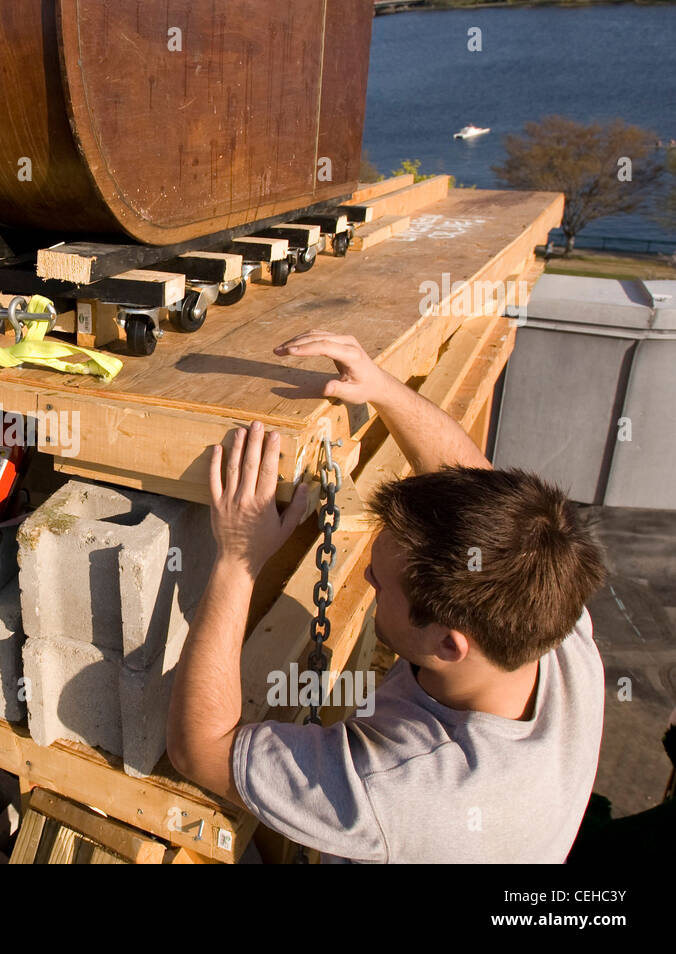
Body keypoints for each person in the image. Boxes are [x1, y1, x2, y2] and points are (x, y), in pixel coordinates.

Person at [167, 329, 608, 863]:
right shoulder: (554, 620)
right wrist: (383, 389)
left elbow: (198, 750)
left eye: (383, 583)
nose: (369, 581)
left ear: (449, 645)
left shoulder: (406, 788)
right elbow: (479, 492)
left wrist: (238, 560)